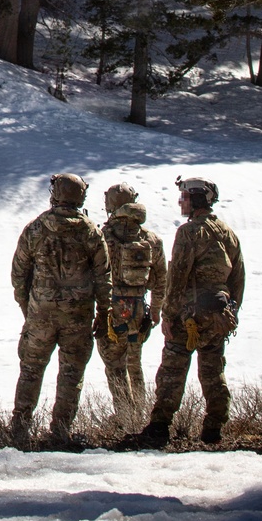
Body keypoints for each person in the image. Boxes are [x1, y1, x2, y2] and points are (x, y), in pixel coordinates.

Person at [128, 175, 245, 448]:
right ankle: (214, 430)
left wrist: (168, 316)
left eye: (185, 197)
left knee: (172, 370)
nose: (181, 202)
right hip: (218, 315)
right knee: (214, 371)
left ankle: (158, 428)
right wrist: (232, 311)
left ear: (197, 200)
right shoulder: (228, 233)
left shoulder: (189, 232)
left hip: (188, 317)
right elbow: (238, 279)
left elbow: (177, 276)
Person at [10, 172, 111, 447]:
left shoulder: (36, 227)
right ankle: (60, 431)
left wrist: (27, 308)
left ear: (56, 194)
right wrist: (103, 313)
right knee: (71, 374)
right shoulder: (91, 231)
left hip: (40, 314)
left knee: (31, 370)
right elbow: (104, 278)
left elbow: (19, 273)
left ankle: (19, 430)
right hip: (78, 316)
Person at [95, 183, 167, 429]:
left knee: (115, 367)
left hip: (110, 314)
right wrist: (155, 311)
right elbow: (161, 281)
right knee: (134, 364)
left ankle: (126, 417)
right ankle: (142, 414)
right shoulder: (150, 239)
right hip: (139, 312)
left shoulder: (101, 236)